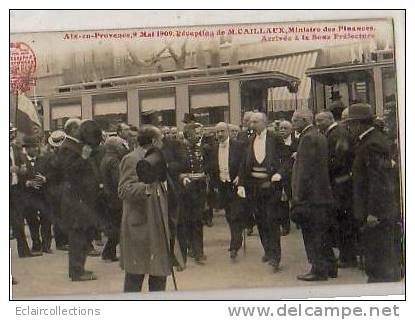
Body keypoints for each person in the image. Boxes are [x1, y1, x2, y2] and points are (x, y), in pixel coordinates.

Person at [345, 103, 401, 283]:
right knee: (380, 254)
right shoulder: (370, 140)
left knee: (379, 258)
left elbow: (379, 182)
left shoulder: (372, 143)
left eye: (350, 124)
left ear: (358, 124)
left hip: (377, 213)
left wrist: (373, 212)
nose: (349, 128)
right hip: (378, 210)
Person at [119, 125, 171, 292]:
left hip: (158, 222)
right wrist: (147, 187)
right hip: (140, 223)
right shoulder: (132, 159)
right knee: (135, 275)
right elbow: (124, 190)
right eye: (161, 139)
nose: (163, 143)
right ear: (155, 141)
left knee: (159, 272)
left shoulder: (158, 158)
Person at [291, 109, 337, 281]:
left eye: (295, 121)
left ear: (303, 120)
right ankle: (330, 266)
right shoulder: (318, 135)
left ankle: (318, 270)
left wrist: (298, 196)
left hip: (311, 196)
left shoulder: (307, 138)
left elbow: (304, 170)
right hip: (321, 193)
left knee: (312, 234)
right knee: (322, 232)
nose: (293, 124)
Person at [237, 112, 286, 271]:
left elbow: (286, 159)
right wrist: (241, 185)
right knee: (260, 221)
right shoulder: (249, 140)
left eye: (256, 121)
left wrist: (280, 173)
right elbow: (243, 165)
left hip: (270, 186)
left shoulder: (275, 138)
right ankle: (267, 250)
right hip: (254, 188)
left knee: (271, 221)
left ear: (265, 122)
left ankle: (275, 256)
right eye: (251, 122)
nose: (252, 125)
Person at [58, 119, 101, 281]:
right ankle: (76, 272)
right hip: (75, 199)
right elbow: (68, 171)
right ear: (73, 129)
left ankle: (80, 268)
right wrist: (83, 157)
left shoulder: (77, 145)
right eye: (79, 128)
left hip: (82, 199)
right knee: (77, 235)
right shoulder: (67, 147)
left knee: (83, 233)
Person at [315, 111, 357, 268]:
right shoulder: (332, 133)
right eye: (316, 120)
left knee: (343, 221)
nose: (318, 123)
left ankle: (348, 257)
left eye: (321, 120)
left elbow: (339, 158)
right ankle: (347, 255)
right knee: (342, 221)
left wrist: (323, 168)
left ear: (330, 119)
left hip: (341, 183)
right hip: (339, 182)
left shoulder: (337, 134)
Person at [205, 122, 245, 260]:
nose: (220, 134)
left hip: (236, 184)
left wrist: (240, 177)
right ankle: (237, 238)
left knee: (235, 214)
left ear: (228, 131)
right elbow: (211, 168)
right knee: (229, 215)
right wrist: (215, 184)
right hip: (223, 186)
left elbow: (243, 163)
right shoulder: (213, 148)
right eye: (217, 132)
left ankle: (235, 245)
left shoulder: (238, 146)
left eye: (222, 131)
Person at [176, 123, 208, 265]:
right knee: (185, 222)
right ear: (188, 134)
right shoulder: (178, 148)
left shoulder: (202, 148)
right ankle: (187, 250)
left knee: (197, 221)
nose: (199, 135)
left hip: (199, 190)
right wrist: (181, 176)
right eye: (196, 133)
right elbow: (172, 167)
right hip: (184, 192)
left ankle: (199, 251)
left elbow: (205, 167)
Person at [10, 124, 41, 258]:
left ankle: (24, 250)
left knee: (18, 221)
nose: (12, 135)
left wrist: (22, 171)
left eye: (13, 133)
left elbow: (23, 167)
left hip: (16, 189)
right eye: (10, 133)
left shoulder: (16, 149)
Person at [20, 135, 51, 254]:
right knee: (32, 220)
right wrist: (27, 183)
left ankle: (46, 245)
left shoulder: (44, 159)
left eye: (36, 147)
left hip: (43, 195)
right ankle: (36, 244)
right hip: (29, 196)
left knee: (46, 220)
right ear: (26, 148)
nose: (35, 149)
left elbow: (50, 173)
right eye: (32, 147)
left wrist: (45, 178)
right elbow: (16, 178)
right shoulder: (21, 160)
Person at [100, 136, 125, 262]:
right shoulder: (114, 161)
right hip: (116, 198)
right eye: (120, 145)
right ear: (115, 147)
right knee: (118, 226)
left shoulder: (106, 158)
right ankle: (108, 252)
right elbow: (118, 180)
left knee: (115, 225)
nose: (122, 148)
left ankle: (109, 253)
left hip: (108, 197)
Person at [44, 130, 68, 251]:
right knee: (59, 215)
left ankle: (63, 240)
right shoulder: (53, 158)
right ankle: (61, 241)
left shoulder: (54, 156)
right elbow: (52, 174)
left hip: (59, 188)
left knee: (62, 215)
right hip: (56, 189)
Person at [278, 120, 298, 235]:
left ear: (291, 130)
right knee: (282, 201)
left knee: (294, 198)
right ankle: (285, 226)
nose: (283, 131)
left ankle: (298, 219)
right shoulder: (277, 142)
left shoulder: (296, 142)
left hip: (294, 174)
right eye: (281, 128)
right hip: (282, 175)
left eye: (285, 128)